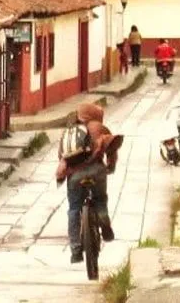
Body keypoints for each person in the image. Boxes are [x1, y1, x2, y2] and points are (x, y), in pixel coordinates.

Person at [55, 103, 123, 264]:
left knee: (74, 209)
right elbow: (111, 149)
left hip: (75, 176)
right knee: (100, 199)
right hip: (97, 171)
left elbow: (61, 156)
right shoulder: (100, 127)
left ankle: (75, 251)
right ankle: (104, 224)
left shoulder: (69, 131)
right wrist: (110, 167)